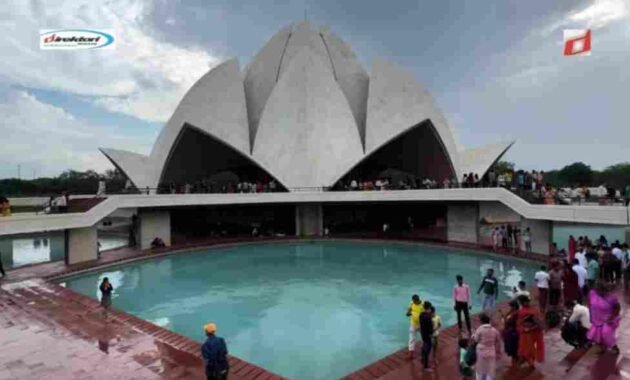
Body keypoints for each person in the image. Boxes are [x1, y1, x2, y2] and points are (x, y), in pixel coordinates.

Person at [587, 280, 621, 353]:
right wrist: (591, 314)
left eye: (602, 290)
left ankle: (614, 347)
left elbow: (617, 308)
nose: (600, 292)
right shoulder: (592, 294)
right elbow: (589, 303)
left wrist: (611, 317)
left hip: (608, 319)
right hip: (597, 318)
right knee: (597, 334)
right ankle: (602, 348)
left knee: (606, 334)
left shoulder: (611, 297)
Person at [516, 295, 544, 368]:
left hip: (529, 332)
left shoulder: (523, 311)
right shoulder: (533, 310)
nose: (522, 304)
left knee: (527, 348)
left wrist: (526, 328)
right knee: (528, 348)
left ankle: (530, 362)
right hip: (530, 331)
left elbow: (520, 322)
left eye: (521, 302)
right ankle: (530, 362)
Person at [472, 313, 502, 380]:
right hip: (491, 351)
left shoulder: (479, 329)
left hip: (481, 352)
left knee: (480, 369)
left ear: (482, 321)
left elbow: (476, 340)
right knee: (490, 369)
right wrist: (498, 353)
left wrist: (473, 336)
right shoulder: (494, 330)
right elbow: (498, 343)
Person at [501, 300, 520, 366]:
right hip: (509, 330)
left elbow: (510, 321)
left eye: (511, 306)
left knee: (513, 345)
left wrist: (505, 318)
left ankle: (515, 357)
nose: (510, 307)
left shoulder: (516, 313)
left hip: (513, 331)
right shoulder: (511, 312)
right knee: (511, 345)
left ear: (514, 306)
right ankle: (515, 356)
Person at [419, 301, 435, 371]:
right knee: (427, 350)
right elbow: (431, 329)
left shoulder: (421, 314)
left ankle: (422, 357)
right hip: (428, 335)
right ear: (429, 307)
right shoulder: (429, 317)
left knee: (424, 345)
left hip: (422, 333)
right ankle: (426, 367)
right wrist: (432, 336)